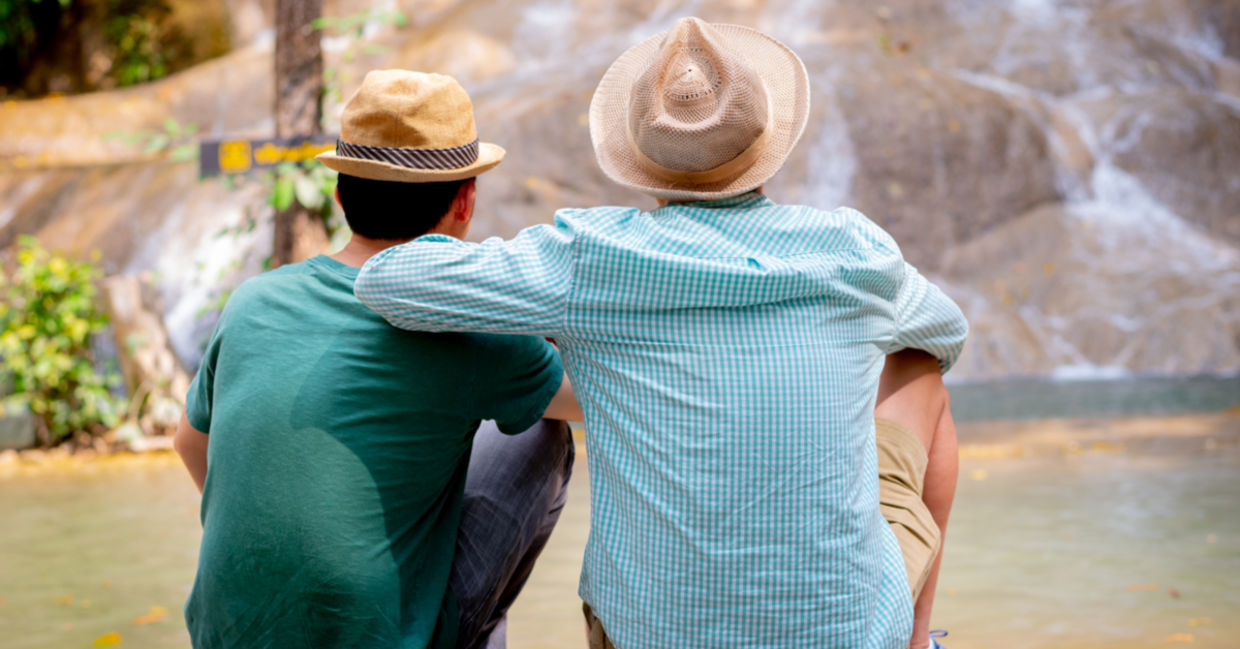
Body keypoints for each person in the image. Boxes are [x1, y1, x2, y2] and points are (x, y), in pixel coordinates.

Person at [354, 18, 968, 649]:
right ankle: (915, 637)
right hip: (850, 635)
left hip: (648, 636)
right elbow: (945, 332)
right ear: (766, 142)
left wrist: (559, 332)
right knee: (921, 370)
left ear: (642, 155)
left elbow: (386, 281)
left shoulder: (590, 257)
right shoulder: (855, 250)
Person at [173, 70, 582, 649]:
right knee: (541, 428)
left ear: (340, 195)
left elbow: (189, 442)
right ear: (465, 201)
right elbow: (596, 400)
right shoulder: (464, 325)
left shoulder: (251, 300)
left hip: (223, 634)